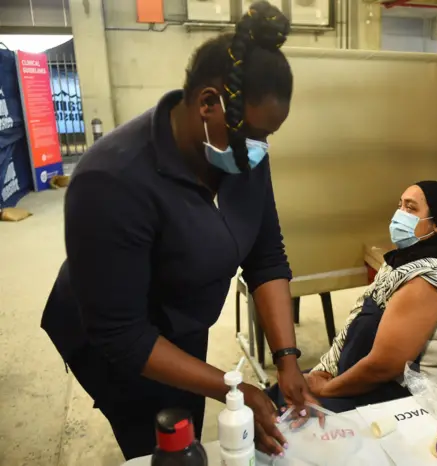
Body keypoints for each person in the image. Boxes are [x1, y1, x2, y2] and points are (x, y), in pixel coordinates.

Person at [40, 2, 315, 460]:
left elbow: (267, 257)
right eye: (254, 136)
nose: (260, 151)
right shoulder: (110, 180)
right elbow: (124, 336)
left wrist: (287, 359)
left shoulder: (242, 154)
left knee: (192, 419)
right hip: (119, 337)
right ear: (208, 103)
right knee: (159, 438)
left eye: (270, 136)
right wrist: (234, 387)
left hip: (183, 318)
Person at [268, 181, 437, 413]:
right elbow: (356, 321)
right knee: (286, 392)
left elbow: (384, 366)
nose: (400, 215)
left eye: (410, 208)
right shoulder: (403, 262)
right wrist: (326, 368)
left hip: (407, 399)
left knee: (293, 414)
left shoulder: (428, 281)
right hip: (371, 381)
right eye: (400, 206)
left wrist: (326, 389)